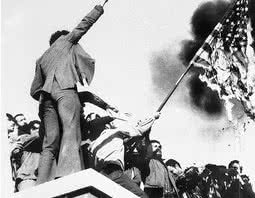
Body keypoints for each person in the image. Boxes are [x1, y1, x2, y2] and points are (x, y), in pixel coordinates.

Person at [30, 0, 110, 184]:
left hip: (45, 99)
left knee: (50, 143)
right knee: (71, 130)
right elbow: (83, 25)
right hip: (64, 90)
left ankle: (42, 182)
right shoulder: (65, 41)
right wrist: (99, 8)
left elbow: (34, 89)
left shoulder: (41, 58)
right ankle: (69, 175)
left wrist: (49, 92)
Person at [88, 113, 160, 198]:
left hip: (100, 176)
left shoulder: (92, 146)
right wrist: (153, 117)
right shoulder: (115, 132)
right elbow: (139, 129)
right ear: (107, 126)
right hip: (114, 172)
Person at [11, 120, 42, 191]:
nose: (38, 130)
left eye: (40, 128)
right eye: (35, 128)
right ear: (30, 130)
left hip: (39, 178)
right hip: (27, 179)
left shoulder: (44, 144)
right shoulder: (24, 138)